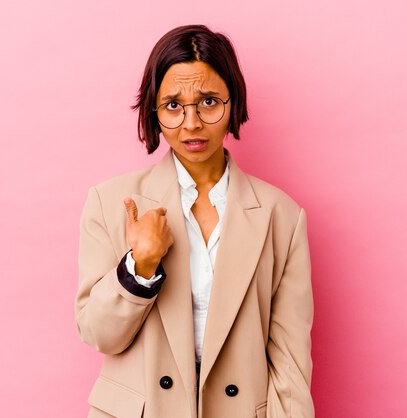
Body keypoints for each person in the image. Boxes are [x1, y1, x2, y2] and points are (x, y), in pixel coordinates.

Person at [75, 24, 314, 418]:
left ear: (231, 102)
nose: (191, 123)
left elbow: (290, 361)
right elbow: (99, 334)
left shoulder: (281, 216)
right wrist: (140, 267)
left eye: (207, 101)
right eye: (173, 105)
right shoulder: (110, 202)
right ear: (154, 111)